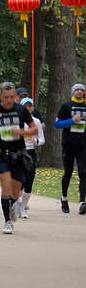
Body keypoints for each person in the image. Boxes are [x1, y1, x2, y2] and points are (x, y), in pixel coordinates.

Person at [0, 82, 37, 234]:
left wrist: (20, 132)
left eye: (12, 96)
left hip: (18, 154)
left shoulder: (21, 110)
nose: (9, 100)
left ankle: (14, 205)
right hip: (1, 154)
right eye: (6, 97)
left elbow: (34, 129)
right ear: (0, 96)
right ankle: (7, 222)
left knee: (16, 189)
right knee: (6, 185)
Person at [54, 83, 86, 215]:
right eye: (77, 90)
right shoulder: (66, 106)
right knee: (68, 172)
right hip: (68, 144)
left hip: (83, 145)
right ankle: (64, 198)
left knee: (83, 172)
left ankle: (82, 202)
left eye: (82, 90)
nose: (79, 92)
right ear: (72, 92)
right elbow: (57, 124)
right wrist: (72, 121)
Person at [18, 97, 45, 218]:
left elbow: (42, 139)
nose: (27, 108)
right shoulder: (17, 120)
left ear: (32, 108)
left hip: (30, 152)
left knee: (29, 180)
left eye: (29, 106)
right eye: (25, 106)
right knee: (20, 180)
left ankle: (23, 208)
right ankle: (17, 202)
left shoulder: (36, 122)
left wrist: (37, 141)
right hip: (18, 152)